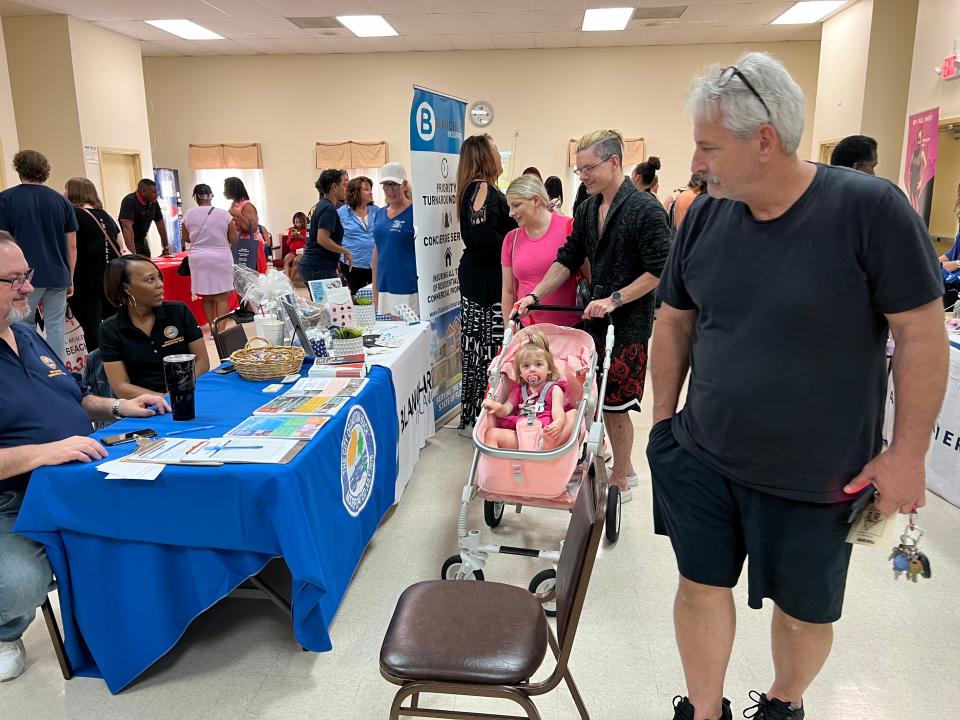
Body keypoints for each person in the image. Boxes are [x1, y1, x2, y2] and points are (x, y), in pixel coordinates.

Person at [648, 53, 947, 720]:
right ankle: (702, 711)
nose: (696, 161)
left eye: (707, 145)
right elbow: (673, 320)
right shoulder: (703, 214)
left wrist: (907, 454)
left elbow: (922, 335)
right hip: (702, 453)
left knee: (805, 611)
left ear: (763, 140)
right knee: (700, 586)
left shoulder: (869, 210)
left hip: (821, 473)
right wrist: (664, 426)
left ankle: (783, 703)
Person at [0, 233, 169, 682]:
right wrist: (44, 452)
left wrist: (118, 407)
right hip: (14, 500)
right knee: (18, 584)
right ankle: (5, 630)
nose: (26, 288)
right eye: (13, 279)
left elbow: (75, 398)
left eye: (26, 276)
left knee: (169, 495)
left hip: (80, 472)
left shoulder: (24, 332)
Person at [515, 129, 671, 503]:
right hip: (593, 322)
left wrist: (616, 299)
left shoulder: (644, 209)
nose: (581, 175)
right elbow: (566, 260)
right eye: (579, 168)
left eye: (588, 168)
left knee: (617, 404)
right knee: (589, 395)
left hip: (627, 325)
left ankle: (622, 475)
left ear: (614, 162)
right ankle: (600, 461)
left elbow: (660, 269)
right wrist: (535, 295)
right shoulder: (586, 210)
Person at [457, 134, 517, 436]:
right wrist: (514, 243)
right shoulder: (481, 188)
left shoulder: (480, 188)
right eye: (496, 149)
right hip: (486, 280)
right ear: (484, 155)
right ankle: (481, 419)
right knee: (487, 349)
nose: (500, 155)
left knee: (481, 349)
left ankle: (479, 416)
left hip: (482, 276)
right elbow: (481, 231)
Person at [0, 150, 78, 363]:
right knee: (56, 329)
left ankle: (30, 368)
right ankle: (58, 372)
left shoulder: (6, 199)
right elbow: (71, 244)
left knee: (23, 328)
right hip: (58, 274)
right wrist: (70, 276)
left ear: (18, 169)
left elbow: (2, 243)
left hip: (22, 278)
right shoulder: (61, 202)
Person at [99, 255, 209, 398]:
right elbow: (121, 387)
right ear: (126, 288)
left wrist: (181, 389)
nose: (160, 284)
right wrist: (164, 399)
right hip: (144, 406)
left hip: (190, 393)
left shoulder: (178, 312)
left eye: (159, 277)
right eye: (150, 280)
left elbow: (202, 362)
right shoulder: (110, 329)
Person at [501, 174, 579, 328]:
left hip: (569, 331)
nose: (510, 213)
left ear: (536, 200)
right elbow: (508, 291)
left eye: (516, 205)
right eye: (509, 206)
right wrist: (508, 330)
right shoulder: (512, 239)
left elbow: (589, 276)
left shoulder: (569, 227)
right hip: (529, 332)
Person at [481, 330, 576, 450]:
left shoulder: (554, 389)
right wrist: (497, 407)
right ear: (520, 373)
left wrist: (557, 425)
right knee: (491, 434)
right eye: (526, 366)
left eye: (538, 364)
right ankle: (497, 466)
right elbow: (506, 409)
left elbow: (558, 412)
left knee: (573, 415)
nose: (532, 370)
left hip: (545, 432)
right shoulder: (518, 390)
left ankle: (548, 446)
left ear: (549, 369)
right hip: (520, 434)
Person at [65, 177, 123, 352]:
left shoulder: (74, 215)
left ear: (73, 192)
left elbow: (71, 246)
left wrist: (69, 278)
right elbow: (120, 245)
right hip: (110, 278)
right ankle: (118, 363)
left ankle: (99, 371)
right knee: (114, 326)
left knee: (92, 332)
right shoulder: (106, 215)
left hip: (85, 281)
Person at [182, 184, 237, 326]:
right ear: (211, 195)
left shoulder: (188, 214)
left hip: (199, 258)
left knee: (206, 297)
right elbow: (233, 238)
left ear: (195, 197)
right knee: (221, 297)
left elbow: (186, 238)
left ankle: (212, 328)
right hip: (221, 257)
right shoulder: (224, 214)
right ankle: (221, 330)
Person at [372, 162, 418, 317]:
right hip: (386, 283)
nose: (390, 190)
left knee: (410, 332)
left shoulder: (415, 212)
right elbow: (378, 250)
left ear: (404, 185)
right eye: (386, 185)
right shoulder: (379, 214)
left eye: (394, 185)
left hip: (408, 285)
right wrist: (375, 288)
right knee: (396, 332)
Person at [299, 169, 352, 283]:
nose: (346, 188)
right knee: (333, 301)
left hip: (313, 265)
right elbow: (322, 239)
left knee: (323, 301)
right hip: (319, 266)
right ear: (334, 187)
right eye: (343, 184)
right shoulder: (329, 209)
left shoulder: (320, 205)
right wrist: (344, 251)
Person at [338, 176, 380, 295]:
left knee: (377, 297)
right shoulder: (341, 213)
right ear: (356, 192)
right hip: (353, 264)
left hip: (375, 262)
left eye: (370, 188)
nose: (370, 192)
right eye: (366, 189)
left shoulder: (377, 211)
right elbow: (334, 238)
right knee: (358, 299)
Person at [119, 178, 168, 257]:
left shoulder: (153, 202)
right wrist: (132, 255)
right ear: (143, 191)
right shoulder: (129, 201)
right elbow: (127, 228)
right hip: (130, 241)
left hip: (143, 239)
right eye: (154, 192)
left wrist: (166, 246)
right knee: (137, 265)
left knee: (147, 264)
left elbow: (160, 224)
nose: (157, 195)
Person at [282, 212, 308, 282]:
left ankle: (290, 281)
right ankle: (286, 281)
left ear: (304, 221)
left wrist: (302, 238)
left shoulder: (307, 230)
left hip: (302, 252)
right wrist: (291, 237)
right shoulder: (292, 230)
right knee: (286, 260)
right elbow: (287, 243)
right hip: (292, 252)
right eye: (296, 222)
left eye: (299, 222)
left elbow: (310, 243)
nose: (298, 224)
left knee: (296, 260)